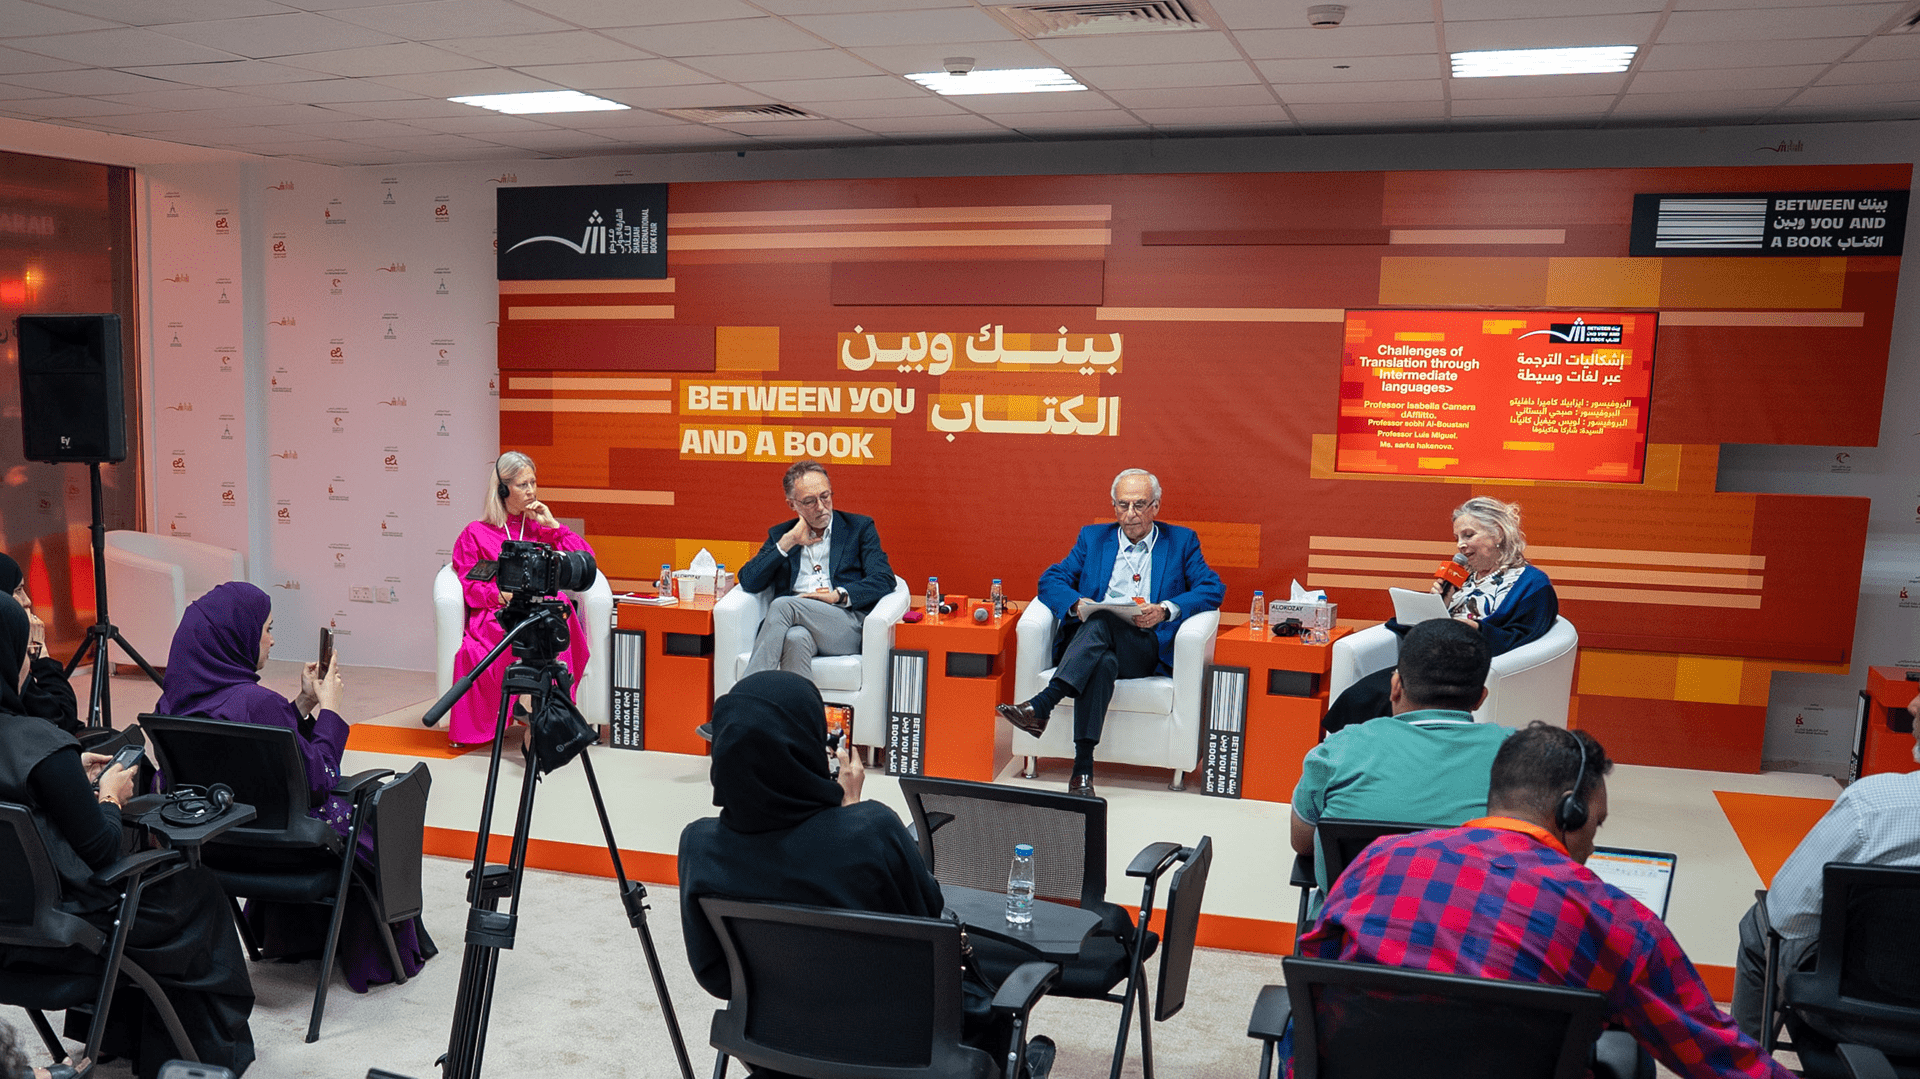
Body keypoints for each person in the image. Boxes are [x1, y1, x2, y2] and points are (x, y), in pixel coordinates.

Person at [1295, 723, 1792, 1079]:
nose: (1593, 844)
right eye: (1595, 824)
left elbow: (1314, 981)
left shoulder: (1379, 858)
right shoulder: (1616, 920)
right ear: (1570, 812)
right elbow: (1715, 1054)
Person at [677, 671, 1051, 1075]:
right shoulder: (870, 830)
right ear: (806, 750)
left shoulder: (700, 846)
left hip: (777, 1056)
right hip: (900, 1057)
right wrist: (851, 809)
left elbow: (716, 977)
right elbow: (929, 914)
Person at [0, 594, 256, 1077]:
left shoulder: (45, 753)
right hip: (68, 935)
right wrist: (109, 796)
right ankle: (206, 1055)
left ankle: (113, 1037)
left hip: (10, 941)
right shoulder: (40, 743)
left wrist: (67, 775)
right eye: (24, 651)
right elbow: (103, 850)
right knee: (198, 890)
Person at [154, 581, 434, 994]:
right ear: (237, 638)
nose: (271, 640)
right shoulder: (257, 703)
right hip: (290, 851)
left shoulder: (172, 706)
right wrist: (331, 709)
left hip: (217, 849)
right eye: (266, 629)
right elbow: (320, 778)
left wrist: (302, 704)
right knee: (378, 808)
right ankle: (381, 951)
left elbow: (261, 753)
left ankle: (295, 936)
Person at [996, 468, 1223, 797]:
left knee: (1102, 621)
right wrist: (1077, 604)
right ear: (1114, 506)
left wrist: (1164, 610)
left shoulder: (1181, 542)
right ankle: (1082, 772)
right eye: (1122, 505)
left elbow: (1212, 588)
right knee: (1102, 661)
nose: (1130, 514)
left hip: (1143, 647)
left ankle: (1043, 703)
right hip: (1093, 646)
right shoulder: (1093, 538)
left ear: (1155, 507)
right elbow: (1051, 579)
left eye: (1139, 505)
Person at [1730, 692, 1920, 1043]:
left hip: (1849, 1014)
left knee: (1759, 925)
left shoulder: (1873, 804)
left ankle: (1740, 1064)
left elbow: (1786, 914)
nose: (1912, 705)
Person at [1288, 618, 1511, 900]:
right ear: (1480, 698)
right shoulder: (1520, 756)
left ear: (1395, 687)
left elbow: (1303, 843)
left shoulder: (1336, 752)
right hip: (1474, 925)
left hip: (1352, 924)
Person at [1321, 495, 1557, 733]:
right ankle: (1352, 750)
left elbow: (1524, 634)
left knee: (1380, 697)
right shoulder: (1464, 576)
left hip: (1464, 668)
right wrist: (1439, 604)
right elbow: (1442, 621)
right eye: (1457, 538)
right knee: (1361, 696)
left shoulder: (1533, 583)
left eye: (1468, 535)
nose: (1460, 545)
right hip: (1429, 660)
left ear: (1497, 533)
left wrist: (1478, 630)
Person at [446, 451, 595, 747]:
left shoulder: (538, 527)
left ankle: (539, 710)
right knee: (520, 633)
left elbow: (585, 562)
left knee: (558, 612)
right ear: (503, 490)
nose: (531, 491)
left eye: (533, 483)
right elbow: (471, 588)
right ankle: (536, 710)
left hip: (541, 609)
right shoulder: (474, 534)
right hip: (499, 612)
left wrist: (554, 526)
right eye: (523, 485)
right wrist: (503, 595)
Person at [736, 460, 894, 678]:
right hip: (796, 625)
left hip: (844, 624)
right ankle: (797, 701)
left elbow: (884, 578)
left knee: (783, 605)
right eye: (810, 501)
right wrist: (788, 542)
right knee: (795, 638)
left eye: (825, 496)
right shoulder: (782, 535)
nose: (821, 507)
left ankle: (749, 692)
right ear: (792, 504)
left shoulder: (858, 528)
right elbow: (749, 581)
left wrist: (838, 596)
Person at [0, 553, 77, 733]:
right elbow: (64, 719)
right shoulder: (6, 666)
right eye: (18, 590)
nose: (27, 600)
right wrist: (39, 653)